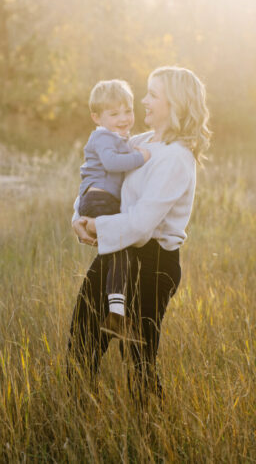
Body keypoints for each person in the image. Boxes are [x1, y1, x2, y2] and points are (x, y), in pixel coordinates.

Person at [69, 66, 210, 405]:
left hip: (153, 263)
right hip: (117, 253)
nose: (143, 101)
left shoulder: (176, 157)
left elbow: (143, 222)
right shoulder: (139, 142)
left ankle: (152, 433)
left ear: (174, 103)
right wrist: (79, 214)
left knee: (139, 361)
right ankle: (75, 417)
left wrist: (97, 228)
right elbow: (98, 178)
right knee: (82, 342)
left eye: (152, 94)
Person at [76, 79, 150, 340]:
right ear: (97, 117)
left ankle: (116, 312)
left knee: (120, 255)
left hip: (100, 200)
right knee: (121, 252)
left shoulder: (118, 137)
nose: (124, 118)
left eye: (128, 111)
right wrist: (140, 157)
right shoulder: (102, 136)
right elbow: (110, 162)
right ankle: (116, 315)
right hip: (100, 200)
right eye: (114, 113)